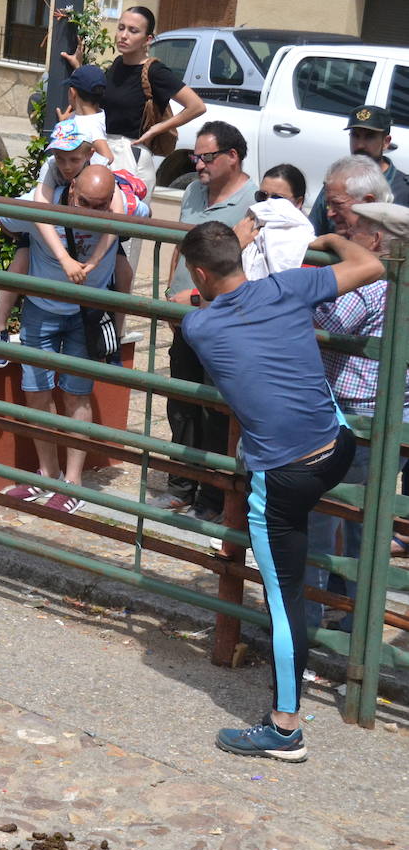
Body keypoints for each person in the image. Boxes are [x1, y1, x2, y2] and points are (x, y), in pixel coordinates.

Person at [177, 221, 384, 762]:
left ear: (199, 273)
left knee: (284, 598)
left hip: (283, 477)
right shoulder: (288, 286)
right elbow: (371, 266)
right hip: (338, 450)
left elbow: (213, 288)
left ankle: (285, 727)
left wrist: (234, 244)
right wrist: (333, 239)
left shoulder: (199, 325)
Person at [301, 202, 409, 632]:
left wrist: (323, 250)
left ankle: (310, 624)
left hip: (356, 418)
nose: (342, 232)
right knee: (366, 527)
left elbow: (319, 315)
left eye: (353, 230)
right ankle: (354, 624)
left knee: (318, 521)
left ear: (376, 241)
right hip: (393, 414)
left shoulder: (370, 281)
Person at [0, 164, 121, 516]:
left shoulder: (120, 205)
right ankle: (47, 474)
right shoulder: (45, 201)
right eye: (85, 203)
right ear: (72, 188)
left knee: (77, 394)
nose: (92, 214)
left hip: (87, 314)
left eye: (101, 206)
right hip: (41, 309)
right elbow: (1, 214)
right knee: (36, 392)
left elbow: (138, 209)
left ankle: (73, 483)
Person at [150, 120, 257, 521]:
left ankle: (213, 497)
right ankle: (181, 485)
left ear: (233, 156)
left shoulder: (252, 201)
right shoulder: (193, 192)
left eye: (207, 157)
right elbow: (183, 247)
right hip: (185, 319)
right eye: (196, 156)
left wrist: (194, 296)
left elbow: (241, 269)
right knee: (181, 405)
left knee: (217, 410)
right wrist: (169, 294)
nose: (198, 164)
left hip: (222, 321)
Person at [0, 120, 132, 361]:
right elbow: (39, 207)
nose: (66, 166)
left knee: (124, 271)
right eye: (60, 158)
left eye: (74, 160)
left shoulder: (99, 169)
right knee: (21, 262)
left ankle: (115, 336)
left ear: (89, 155)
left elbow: (116, 216)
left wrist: (95, 261)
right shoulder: (51, 167)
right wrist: (63, 258)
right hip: (48, 228)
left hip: (92, 230)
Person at [63, 5, 205, 208]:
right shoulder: (117, 64)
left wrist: (157, 128)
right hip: (104, 152)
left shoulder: (155, 71)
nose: (124, 35)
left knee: (123, 231)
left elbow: (196, 106)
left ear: (148, 39)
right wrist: (79, 67)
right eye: (121, 28)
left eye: (133, 30)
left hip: (130, 156)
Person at [310, 106, 409, 235]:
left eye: (369, 137)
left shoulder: (403, 191)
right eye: (355, 136)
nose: (360, 145)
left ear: (386, 142)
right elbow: (313, 233)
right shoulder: (335, 183)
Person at [313, 154, 395, 240]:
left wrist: (334, 242)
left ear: (369, 203)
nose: (329, 214)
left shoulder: (395, 249)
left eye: (338, 204)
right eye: (328, 205)